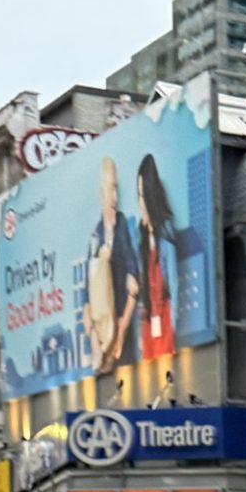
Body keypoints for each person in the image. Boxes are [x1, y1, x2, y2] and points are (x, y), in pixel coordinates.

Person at [83, 155, 140, 374]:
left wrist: (122, 328)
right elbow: (87, 289)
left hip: (121, 329)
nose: (115, 197)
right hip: (103, 329)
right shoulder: (95, 236)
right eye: (110, 189)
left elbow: (133, 275)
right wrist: (94, 336)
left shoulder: (122, 226)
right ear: (102, 194)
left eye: (116, 189)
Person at [134, 154, 178, 362]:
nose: (140, 202)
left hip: (165, 315)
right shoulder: (140, 234)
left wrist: (175, 324)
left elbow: (173, 280)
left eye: (143, 195)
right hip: (148, 320)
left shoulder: (166, 228)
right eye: (138, 195)